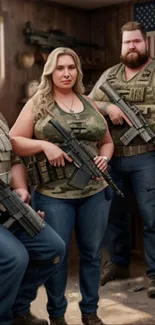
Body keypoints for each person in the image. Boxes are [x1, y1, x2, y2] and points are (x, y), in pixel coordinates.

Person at [9, 47, 114, 325]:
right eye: (59, 68)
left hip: (94, 191)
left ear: (77, 71)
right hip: (54, 195)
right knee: (58, 256)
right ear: (50, 72)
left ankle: (90, 312)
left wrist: (105, 158)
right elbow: (14, 140)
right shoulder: (38, 103)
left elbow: (107, 140)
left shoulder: (89, 102)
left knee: (92, 254)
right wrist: (45, 145)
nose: (66, 73)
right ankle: (57, 315)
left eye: (71, 67)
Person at [89, 20, 155, 298]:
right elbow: (88, 102)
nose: (132, 46)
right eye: (127, 42)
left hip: (147, 157)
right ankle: (118, 263)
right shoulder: (110, 75)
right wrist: (109, 107)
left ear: (145, 43)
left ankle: (154, 274)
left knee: (152, 216)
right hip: (112, 157)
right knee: (111, 213)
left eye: (136, 41)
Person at [0, 112, 65, 325]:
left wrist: (20, 188)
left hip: (7, 203)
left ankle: (18, 308)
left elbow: (13, 158)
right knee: (14, 258)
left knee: (52, 247)